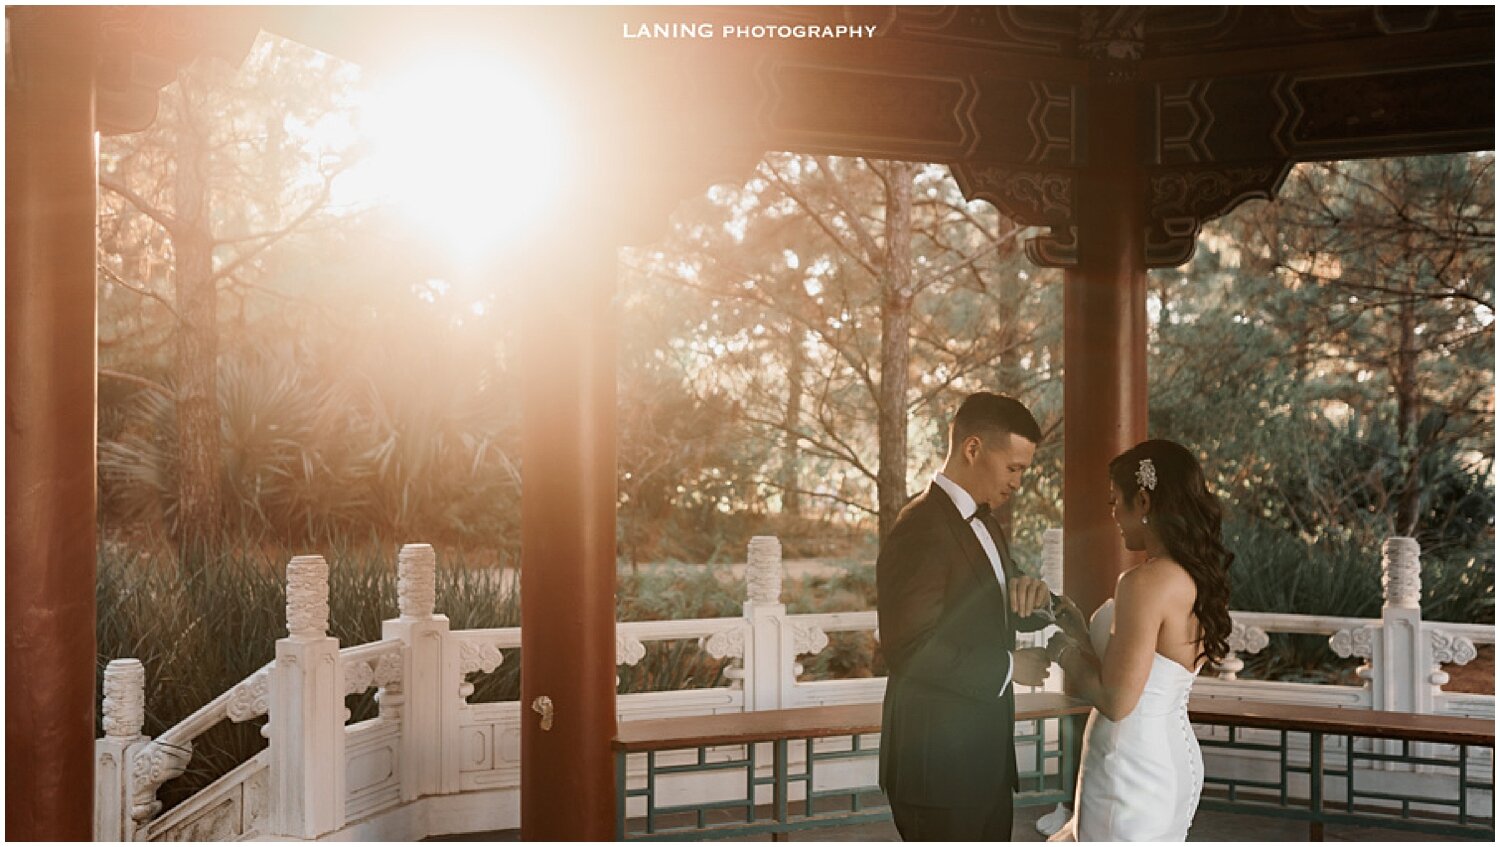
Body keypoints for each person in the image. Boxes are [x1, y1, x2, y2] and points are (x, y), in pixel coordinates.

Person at [877, 392, 1056, 841]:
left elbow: (1004, 601)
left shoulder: (987, 521)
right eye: (1013, 468)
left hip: (982, 763)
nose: (1018, 482)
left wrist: (1036, 596)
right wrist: (1013, 666)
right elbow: (908, 648)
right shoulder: (919, 527)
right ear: (972, 448)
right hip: (938, 772)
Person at [1045, 439, 1234, 841]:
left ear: (1143, 502)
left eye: (1115, 501)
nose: (1112, 514)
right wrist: (1081, 631)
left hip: (1126, 764)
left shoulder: (1143, 583)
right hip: (1170, 757)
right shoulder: (1194, 575)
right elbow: (1146, 667)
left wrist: (1062, 653)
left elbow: (1116, 701)